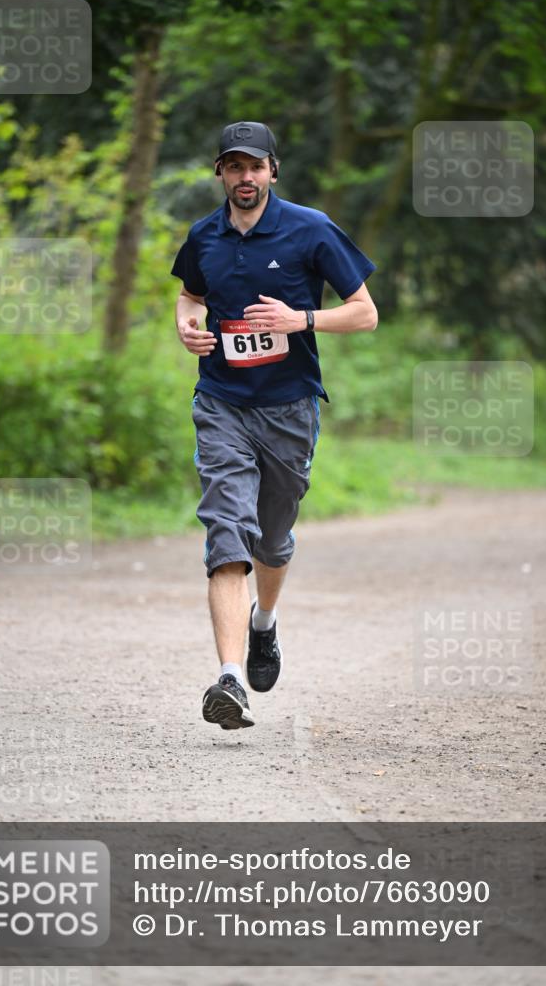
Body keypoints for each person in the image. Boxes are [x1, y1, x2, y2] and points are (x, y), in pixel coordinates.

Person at [171, 121, 377, 730]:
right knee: (226, 529)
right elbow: (190, 295)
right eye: (234, 167)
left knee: (272, 538)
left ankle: (264, 624)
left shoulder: (310, 228)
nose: (245, 178)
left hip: (289, 409)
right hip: (221, 403)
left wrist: (301, 319)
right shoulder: (203, 236)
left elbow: (364, 314)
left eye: (255, 167)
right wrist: (188, 326)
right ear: (221, 173)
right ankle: (230, 679)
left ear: (273, 171)